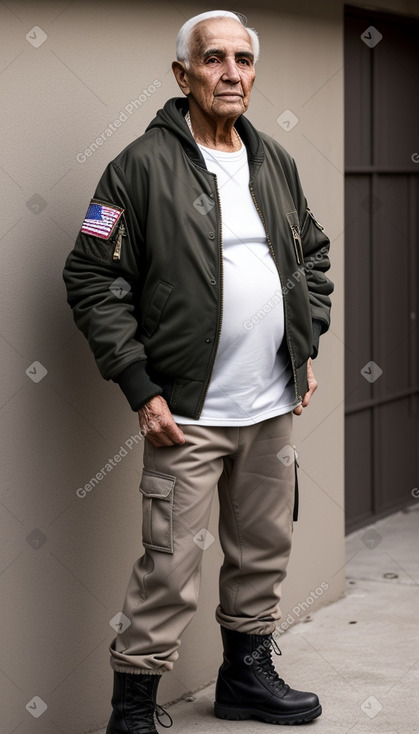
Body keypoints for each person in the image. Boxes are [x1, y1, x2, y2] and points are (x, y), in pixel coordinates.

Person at [63, 9, 334, 733]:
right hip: (185, 413)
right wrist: (139, 386)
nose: (231, 74)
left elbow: (310, 256)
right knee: (168, 571)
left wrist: (302, 345)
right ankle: (132, 713)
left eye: (242, 60)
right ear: (182, 74)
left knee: (262, 553)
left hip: (271, 405)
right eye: (213, 60)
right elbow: (93, 277)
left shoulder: (273, 159)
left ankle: (245, 680)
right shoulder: (138, 166)